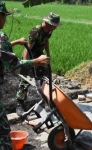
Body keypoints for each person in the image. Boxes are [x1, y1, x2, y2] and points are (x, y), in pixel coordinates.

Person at [0, 1, 50, 149]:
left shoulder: (49, 32)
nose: (6, 20)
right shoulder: (2, 37)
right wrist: (35, 62)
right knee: (3, 131)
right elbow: (14, 66)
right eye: (5, 16)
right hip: (30, 59)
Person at [16, 12, 61, 116]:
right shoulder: (35, 31)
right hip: (32, 56)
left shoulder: (49, 31)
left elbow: (46, 42)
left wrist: (48, 55)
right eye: (55, 26)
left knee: (46, 79)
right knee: (25, 80)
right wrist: (25, 64)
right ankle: (19, 104)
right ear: (50, 24)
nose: (56, 28)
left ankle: (44, 103)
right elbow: (27, 48)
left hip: (40, 56)